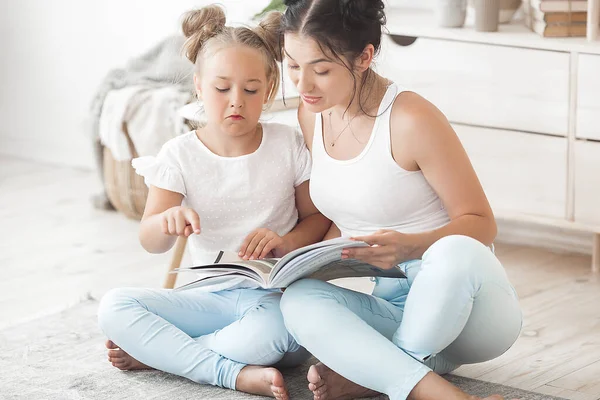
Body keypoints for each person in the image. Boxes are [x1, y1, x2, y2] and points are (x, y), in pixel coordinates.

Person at [271, 1, 523, 399]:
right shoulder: (312, 114)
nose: (303, 86)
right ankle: (416, 380)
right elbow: (348, 208)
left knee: (453, 252)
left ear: (365, 56)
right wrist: (295, 262)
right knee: (301, 300)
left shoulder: (410, 118)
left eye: (320, 69)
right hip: (400, 311)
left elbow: (480, 223)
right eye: (293, 65)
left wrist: (411, 246)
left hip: (471, 310)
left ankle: (378, 375)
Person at [97, 5, 330, 400]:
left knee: (272, 337)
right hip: (207, 298)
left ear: (269, 90)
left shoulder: (287, 144)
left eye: (251, 89)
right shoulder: (178, 155)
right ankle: (232, 374)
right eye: (222, 89)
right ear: (199, 87)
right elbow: (150, 240)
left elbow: (317, 220)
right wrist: (167, 219)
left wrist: (285, 241)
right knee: (114, 307)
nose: (236, 101)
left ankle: (165, 355)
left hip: (273, 299)